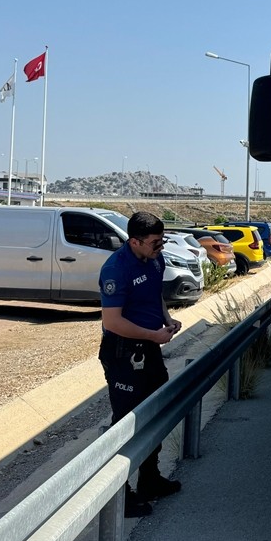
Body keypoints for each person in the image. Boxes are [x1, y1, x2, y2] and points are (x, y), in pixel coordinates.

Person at [98, 211, 183, 517]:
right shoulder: (116, 269)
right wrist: (153, 335)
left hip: (149, 349)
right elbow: (113, 321)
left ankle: (150, 479)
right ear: (134, 241)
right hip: (123, 354)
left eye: (163, 241)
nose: (160, 248)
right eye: (154, 243)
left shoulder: (155, 260)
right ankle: (120, 495)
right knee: (126, 424)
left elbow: (154, 295)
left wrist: (167, 319)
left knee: (155, 414)